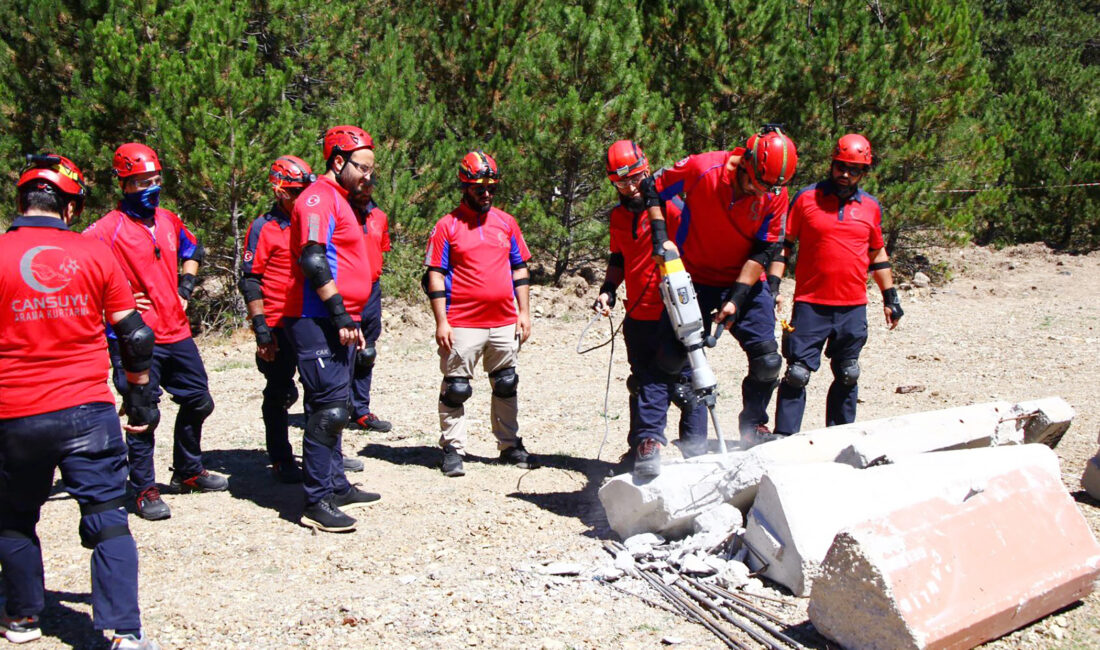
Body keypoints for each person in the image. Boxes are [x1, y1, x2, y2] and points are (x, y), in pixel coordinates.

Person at [0, 154, 160, 649]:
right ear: (70, 207)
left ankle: (24, 619)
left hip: (14, 413)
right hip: (86, 411)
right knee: (108, 518)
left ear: (22, 201)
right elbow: (135, 336)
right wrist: (138, 394)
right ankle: (122, 632)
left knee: (12, 518)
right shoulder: (94, 253)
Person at [84, 143, 226, 521]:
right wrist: (110, 301)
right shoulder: (105, 230)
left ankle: (188, 471)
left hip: (176, 330)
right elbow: (77, 271)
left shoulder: (169, 219)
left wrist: (184, 289)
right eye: (142, 181)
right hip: (133, 337)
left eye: (156, 179)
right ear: (124, 184)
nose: (151, 187)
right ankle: (144, 489)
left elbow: (193, 249)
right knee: (142, 412)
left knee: (200, 400)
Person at [641, 125, 798, 448]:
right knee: (668, 359)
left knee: (768, 362)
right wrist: (660, 237)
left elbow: (764, 249)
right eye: (757, 184)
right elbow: (652, 187)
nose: (761, 193)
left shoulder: (775, 194)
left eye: (768, 188)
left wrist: (737, 299)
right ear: (745, 163)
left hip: (745, 279)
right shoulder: (703, 168)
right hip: (693, 276)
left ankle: (753, 426)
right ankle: (650, 440)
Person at [284, 125, 382, 532]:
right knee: (328, 411)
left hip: (339, 318)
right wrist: (341, 313)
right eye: (362, 168)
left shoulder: (342, 201)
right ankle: (316, 500)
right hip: (315, 318)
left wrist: (351, 315)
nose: (368, 178)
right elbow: (312, 258)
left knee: (335, 405)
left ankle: (336, 484)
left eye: (373, 171)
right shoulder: (317, 199)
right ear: (338, 161)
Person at [771, 134, 902, 435]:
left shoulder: (870, 207)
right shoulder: (806, 199)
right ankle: (783, 439)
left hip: (852, 306)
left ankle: (840, 439)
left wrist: (890, 297)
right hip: (811, 303)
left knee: (847, 372)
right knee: (797, 374)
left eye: (853, 169)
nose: (845, 174)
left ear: (863, 173)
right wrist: (773, 287)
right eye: (840, 167)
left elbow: (877, 254)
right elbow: (784, 245)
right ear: (831, 164)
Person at [593, 140, 703, 478]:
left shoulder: (671, 208)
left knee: (685, 386)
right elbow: (619, 258)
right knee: (642, 383)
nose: (629, 187)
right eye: (620, 182)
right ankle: (642, 448)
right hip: (637, 313)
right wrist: (608, 290)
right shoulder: (617, 216)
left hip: (673, 314)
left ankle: (696, 454)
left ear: (646, 168)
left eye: (635, 177)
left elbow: (695, 250)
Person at [424, 151, 537, 477]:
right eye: (478, 188)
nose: (486, 193)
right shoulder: (447, 226)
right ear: (464, 187)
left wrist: (524, 312)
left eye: (491, 187)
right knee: (456, 387)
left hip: (503, 319)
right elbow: (435, 273)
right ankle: (453, 449)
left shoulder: (506, 222)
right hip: (461, 321)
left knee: (506, 383)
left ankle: (509, 445)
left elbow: (520, 267)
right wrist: (441, 320)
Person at [238, 155, 316, 484]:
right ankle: (281, 457)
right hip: (277, 321)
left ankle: (323, 458)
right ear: (280, 192)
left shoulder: (312, 220)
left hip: (311, 318)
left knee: (320, 392)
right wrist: (261, 331)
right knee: (281, 392)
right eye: (296, 191)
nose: (303, 197)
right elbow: (250, 279)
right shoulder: (263, 228)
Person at [346, 167, 393, 433]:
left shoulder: (379, 216)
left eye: (370, 185)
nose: (366, 189)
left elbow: (381, 248)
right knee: (342, 351)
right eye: (361, 185)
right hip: (344, 290)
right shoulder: (340, 213)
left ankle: (361, 410)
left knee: (367, 352)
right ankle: (337, 408)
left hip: (372, 289)